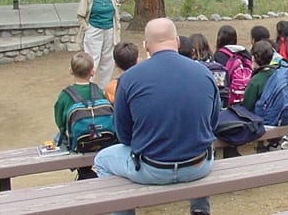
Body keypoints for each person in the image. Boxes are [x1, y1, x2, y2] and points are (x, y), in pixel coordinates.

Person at [93, 18, 219, 215]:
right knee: (199, 140)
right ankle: (200, 210)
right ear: (177, 41)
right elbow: (212, 123)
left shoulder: (128, 79)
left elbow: (124, 135)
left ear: (145, 46)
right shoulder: (204, 73)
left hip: (152, 168)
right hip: (198, 165)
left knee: (102, 159)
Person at [76, 0, 164, 89]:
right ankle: (87, 86)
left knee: (108, 60)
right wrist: (85, 27)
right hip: (94, 29)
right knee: (92, 59)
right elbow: (80, 15)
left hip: (110, 30)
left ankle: (103, 89)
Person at [53, 52, 101, 180]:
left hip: (77, 140)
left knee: (57, 138)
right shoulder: (98, 90)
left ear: (71, 71)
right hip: (99, 136)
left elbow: (60, 121)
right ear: (92, 72)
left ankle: (82, 170)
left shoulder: (65, 95)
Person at [243, 40, 281, 151]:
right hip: (279, 115)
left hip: (262, 120)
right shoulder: (278, 72)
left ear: (254, 58)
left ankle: (260, 146)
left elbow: (247, 105)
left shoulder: (256, 80)